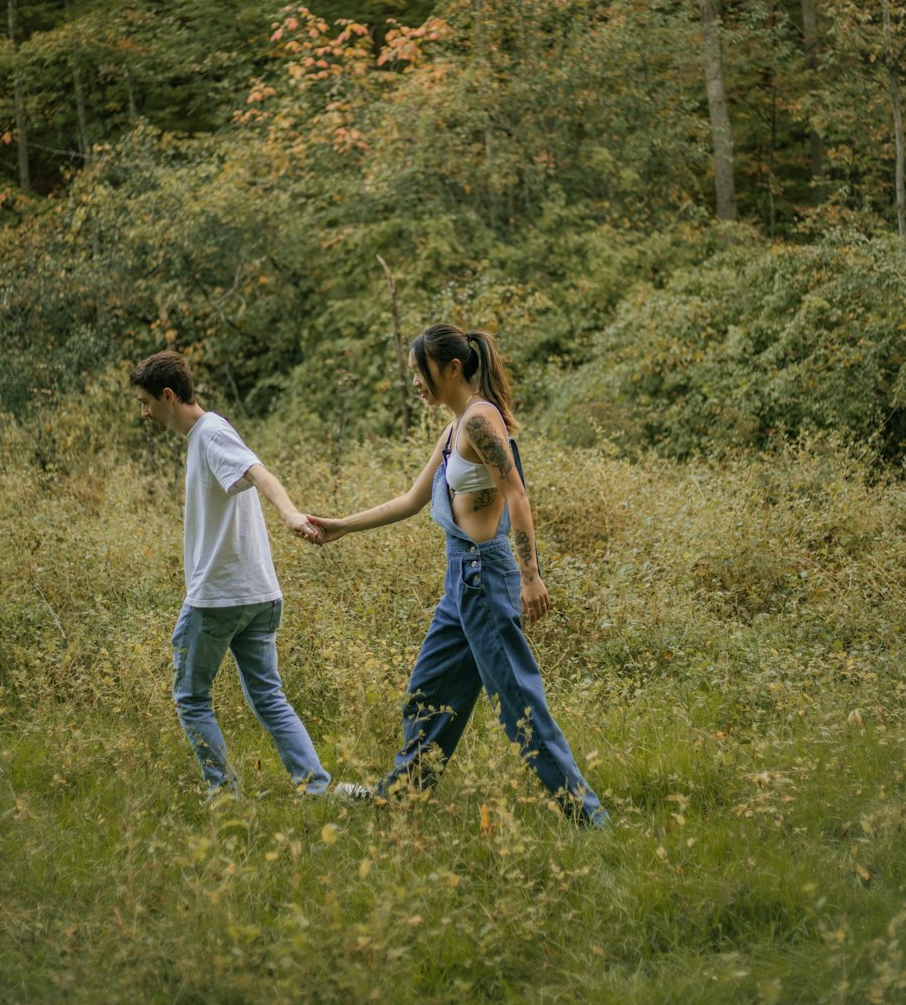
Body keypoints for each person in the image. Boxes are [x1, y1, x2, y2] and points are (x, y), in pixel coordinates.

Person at [307, 324, 607, 826]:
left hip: (484, 579)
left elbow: (517, 495)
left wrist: (531, 575)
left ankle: (587, 818)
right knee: (429, 691)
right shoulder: (455, 429)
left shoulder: (480, 421)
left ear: (450, 368)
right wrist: (341, 527)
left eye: (419, 373)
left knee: (520, 706)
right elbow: (410, 500)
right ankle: (400, 797)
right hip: (460, 581)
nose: (416, 384)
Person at [130, 350, 330, 798]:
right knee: (269, 698)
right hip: (259, 595)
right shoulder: (206, 436)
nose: (144, 413)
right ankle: (316, 790)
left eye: (146, 402)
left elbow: (260, 473)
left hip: (220, 598)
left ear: (168, 395)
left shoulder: (211, 432)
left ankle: (225, 796)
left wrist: (291, 514)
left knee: (190, 698)